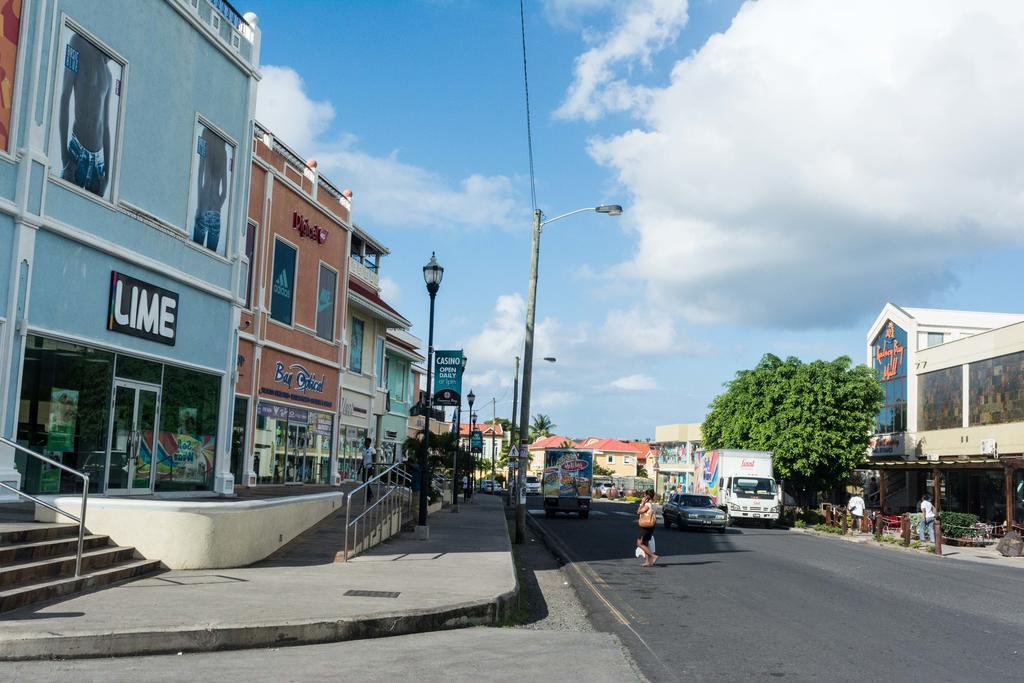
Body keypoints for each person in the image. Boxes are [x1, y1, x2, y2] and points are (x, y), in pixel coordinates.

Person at [58, 32, 113, 197]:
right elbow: (64, 99)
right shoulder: (77, 42)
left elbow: (106, 126)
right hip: (76, 156)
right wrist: (64, 159)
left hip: (98, 166)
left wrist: (107, 176)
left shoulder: (109, 75)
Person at [192, 126, 228, 251]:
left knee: (195, 253)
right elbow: (224, 193)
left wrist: (200, 205)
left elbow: (199, 176)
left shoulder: (204, 141)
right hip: (216, 213)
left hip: (203, 205)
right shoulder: (224, 153)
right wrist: (217, 207)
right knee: (211, 257)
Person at [636, 490, 659, 567]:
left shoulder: (647, 505)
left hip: (646, 526)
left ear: (647, 497)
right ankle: (647, 562)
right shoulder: (654, 504)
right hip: (651, 525)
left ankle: (653, 556)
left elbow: (638, 512)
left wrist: (642, 503)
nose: (643, 496)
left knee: (639, 543)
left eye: (644, 495)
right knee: (645, 543)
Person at [362, 437, 376, 501]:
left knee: (366, 481)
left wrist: (373, 468)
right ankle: (370, 493)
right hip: (365, 468)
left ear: (369, 443)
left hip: (370, 468)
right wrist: (360, 469)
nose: (365, 443)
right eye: (365, 441)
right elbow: (363, 460)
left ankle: (369, 496)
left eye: (366, 441)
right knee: (364, 481)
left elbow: (374, 460)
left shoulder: (372, 450)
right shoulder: (364, 450)